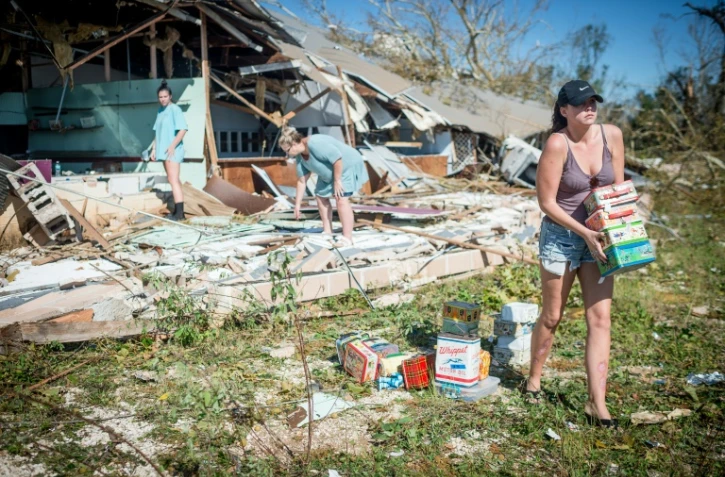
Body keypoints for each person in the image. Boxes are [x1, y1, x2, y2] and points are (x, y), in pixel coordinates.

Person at [524, 80, 625, 428]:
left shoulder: (612, 135)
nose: (590, 108)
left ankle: (597, 404)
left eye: (593, 101)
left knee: (600, 320)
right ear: (564, 110)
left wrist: (624, 212)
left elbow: (618, 189)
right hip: (563, 238)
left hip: (601, 236)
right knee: (552, 316)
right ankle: (534, 379)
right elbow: (546, 203)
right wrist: (585, 232)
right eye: (581, 104)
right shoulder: (557, 143)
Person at [279, 127, 369, 246]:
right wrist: (297, 205)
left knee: (340, 198)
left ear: (294, 144)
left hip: (346, 166)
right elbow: (301, 181)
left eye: (287, 150)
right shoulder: (300, 157)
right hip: (328, 174)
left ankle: (347, 237)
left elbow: (337, 159)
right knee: (320, 197)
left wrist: (337, 181)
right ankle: (327, 232)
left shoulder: (315, 144)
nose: (287, 153)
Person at [149, 80, 188, 221]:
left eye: (165, 96)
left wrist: (172, 145)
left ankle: (180, 214)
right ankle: (177, 212)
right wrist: (154, 148)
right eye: (160, 97)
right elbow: (156, 132)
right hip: (163, 151)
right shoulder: (160, 111)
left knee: (174, 180)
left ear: (170, 96)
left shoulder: (175, 109)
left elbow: (183, 129)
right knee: (171, 179)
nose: (163, 99)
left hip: (173, 150)